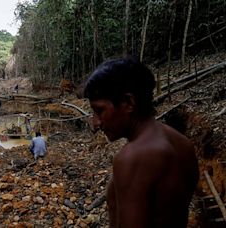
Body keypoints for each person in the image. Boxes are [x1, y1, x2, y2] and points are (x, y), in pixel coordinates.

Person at [83, 57, 198, 228]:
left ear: (129, 103)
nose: (96, 123)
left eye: (99, 111)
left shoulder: (133, 157)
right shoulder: (182, 143)